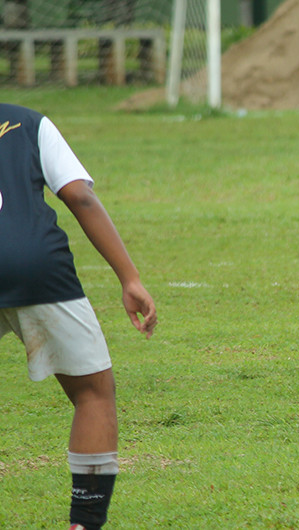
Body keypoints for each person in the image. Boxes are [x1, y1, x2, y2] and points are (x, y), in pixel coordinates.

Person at [0, 103, 157, 530]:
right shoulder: (26, 123)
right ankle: (84, 524)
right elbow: (79, 196)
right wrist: (130, 278)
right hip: (32, 264)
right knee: (93, 393)